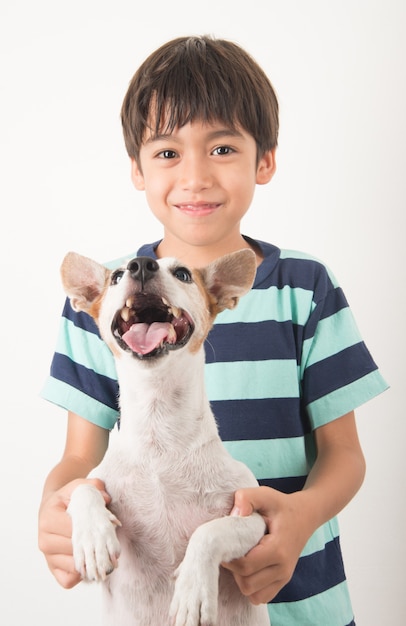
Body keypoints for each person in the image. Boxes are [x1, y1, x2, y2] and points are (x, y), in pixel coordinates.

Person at [38, 35, 388, 625]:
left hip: (301, 600)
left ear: (265, 159)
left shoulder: (305, 287)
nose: (195, 176)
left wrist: (298, 521)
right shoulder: (105, 307)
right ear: (136, 169)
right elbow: (78, 460)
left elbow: (344, 455)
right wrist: (58, 512)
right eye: (168, 153)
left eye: (222, 148)